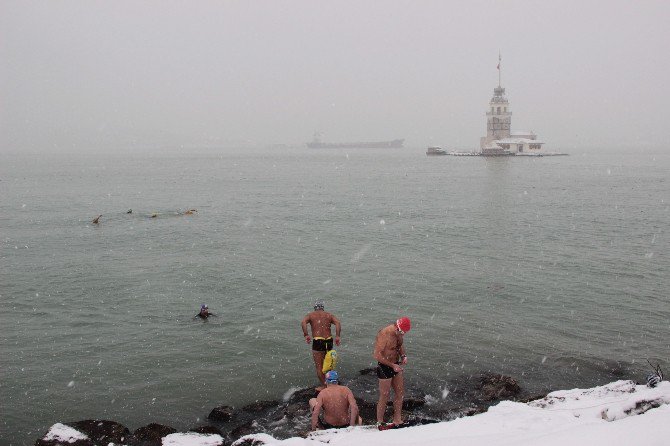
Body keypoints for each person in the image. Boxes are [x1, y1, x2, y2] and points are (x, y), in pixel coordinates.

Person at [373, 316, 411, 427]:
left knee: (400, 393)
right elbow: (376, 355)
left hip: (396, 365)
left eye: (405, 333)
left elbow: (399, 346)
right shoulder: (384, 334)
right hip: (384, 366)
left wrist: (403, 356)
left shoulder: (399, 334)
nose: (403, 334)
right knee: (384, 395)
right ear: (397, 327)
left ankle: (397, 419)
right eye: (402, 332)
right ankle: (380, 422)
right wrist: (391, 365)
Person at [301, 301, 341, 390]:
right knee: (329, 363)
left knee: (319, 366)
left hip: (318, 340)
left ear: (315, 308)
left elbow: (303, 322)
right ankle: (332, 383)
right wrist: (337, 336)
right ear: (323, 308)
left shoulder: (311, 315)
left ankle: (325, 386)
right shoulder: (329, 315)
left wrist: (306, 335)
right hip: (329, 340)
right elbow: (338, 323)